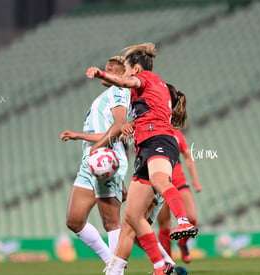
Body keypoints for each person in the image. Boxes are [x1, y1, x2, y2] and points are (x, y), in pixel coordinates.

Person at [86, 43, 197, 275]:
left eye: (126, 69)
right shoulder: (157, 87)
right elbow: (150, 111)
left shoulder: (145, 78)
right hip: (146, 146)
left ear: (136, 69)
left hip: (159, 141)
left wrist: (101, 73)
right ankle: (160, 265)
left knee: (159, 179)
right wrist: (131, 124)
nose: (124, 74)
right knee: (132, 217)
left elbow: (126, 82)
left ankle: (184, 220)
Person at [104, 84, 193, 275]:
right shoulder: (153, 121)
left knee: (131, 225)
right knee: (134, 228)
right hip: (150, 175)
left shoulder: (158, 124)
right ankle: (165, 264)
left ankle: (159, 264)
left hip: (154, 178)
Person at [60, 56, 130, 270]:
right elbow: (115, 134)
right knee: (74, 221)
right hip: (92, 161)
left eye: (109, 69)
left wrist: (90, 142)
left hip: (105, 161)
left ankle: (115, 270)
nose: (104, 71)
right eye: (104, 68)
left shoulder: (119, 91)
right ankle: (111, 260)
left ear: (120, 75)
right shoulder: (107, 95)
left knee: (110, 223)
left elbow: (119, 127)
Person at [157, 126, 202, 264]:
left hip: (179, 181)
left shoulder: (176, 134)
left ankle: (182, 243)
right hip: (161, 182)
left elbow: (188, 156)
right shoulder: (150, 132)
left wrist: (195, 180)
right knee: (164, 226)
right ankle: (168, 263)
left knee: (192, 218)